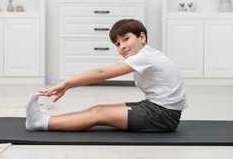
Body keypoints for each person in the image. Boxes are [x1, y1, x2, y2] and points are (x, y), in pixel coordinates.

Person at [25, 19, 188, 132]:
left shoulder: (146, 57)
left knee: (99, 114)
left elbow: (101, 73)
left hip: (163, 115)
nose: (122, 46)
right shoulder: (144, 55)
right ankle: (44, 120)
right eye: (117, 44)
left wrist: (67, 83)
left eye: (126, 39)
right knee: (97, 108)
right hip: (156, 107)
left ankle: (40, 123)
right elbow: (103, 71)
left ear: (142, 37)